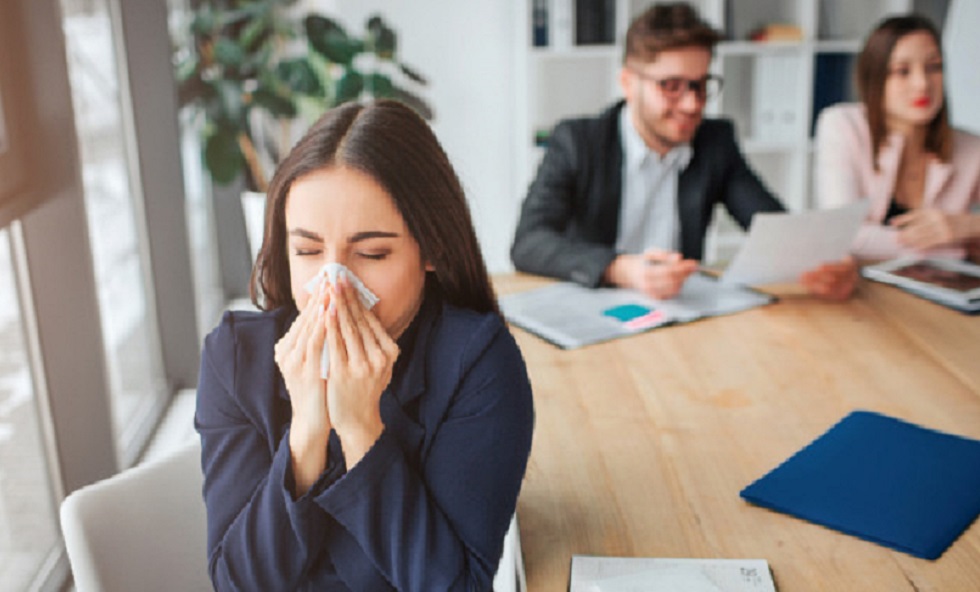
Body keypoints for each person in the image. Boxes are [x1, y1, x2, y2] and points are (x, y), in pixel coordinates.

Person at [195, 99, 534, 591]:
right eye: (308, 251)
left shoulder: (477, 363)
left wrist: (359, 430)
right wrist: (307, 435)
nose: (333, 285)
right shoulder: (233, 359)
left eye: (372, 253)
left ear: (433, 247)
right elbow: (236, 584)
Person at [511, 2, 858, 300]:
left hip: (678, 311)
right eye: (671, 86)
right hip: (594, 306)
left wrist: (821, 260)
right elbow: (528, 243)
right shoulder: (577, 141)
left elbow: (770, 225)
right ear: (629, 83)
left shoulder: (715, 141)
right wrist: (622, 269)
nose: (692, 104)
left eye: (700, 84)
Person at [815, 14, 980, 262]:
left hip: (941, 291)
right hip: (863, 288)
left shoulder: (971, 148)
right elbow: (842, 234)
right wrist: (956, 249)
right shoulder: (842, 124)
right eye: (902, 71)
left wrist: (968, 226)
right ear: (875, 79)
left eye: (934, 67)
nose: (922, 83)